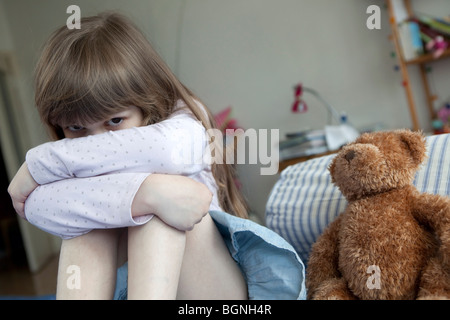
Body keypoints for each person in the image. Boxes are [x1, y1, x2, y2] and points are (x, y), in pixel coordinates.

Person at [8, 12, 306, 300]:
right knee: (88, 225)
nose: (97, 143)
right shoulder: (75, 163)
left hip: (217, 292)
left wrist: (39, 165)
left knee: (159, 209)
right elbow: (34, 206)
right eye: (76, 128)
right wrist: (148, 193)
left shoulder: (184, 121)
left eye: (114, 121)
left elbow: (169, 152)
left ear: (145, 102)